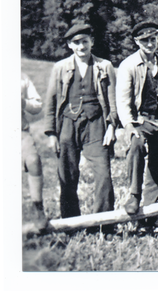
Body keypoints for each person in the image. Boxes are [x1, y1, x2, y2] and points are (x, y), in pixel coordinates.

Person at [43, 24, 117, 223]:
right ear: (70, 45)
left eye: (85, 41)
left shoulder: (105, 66)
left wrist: (111, 126)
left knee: (103, 174)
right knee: (67, 175)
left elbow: (112, 100)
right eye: (76, 42)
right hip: (67, 124)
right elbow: (50, 100)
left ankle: (103, 223)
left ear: (92, 42)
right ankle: (70, 222)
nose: (81, 46)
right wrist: (51, 134)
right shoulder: (60, 68)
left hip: (96, 125)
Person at [116, 21, 158, 217]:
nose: (150, 44)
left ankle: (149, 217)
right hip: (141, 121)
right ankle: (134, 194)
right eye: (145, 40)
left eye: (153, 39)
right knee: (136, 147)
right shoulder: (129, 65)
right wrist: (128, 125)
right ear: (137, 42)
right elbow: (123, 100)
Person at [22, 73, 48, 232]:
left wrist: (23, 102)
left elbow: (37, 106)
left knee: (33, 160)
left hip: (19, 132)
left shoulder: (21, 78)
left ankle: (38, 207)